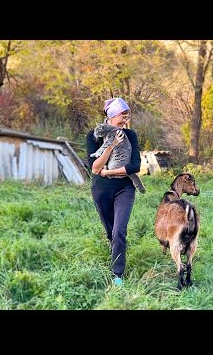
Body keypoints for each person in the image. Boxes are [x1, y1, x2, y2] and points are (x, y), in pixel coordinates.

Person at [86, 97, 141, 286]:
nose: (125, 119)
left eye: (127, 115)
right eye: (122, 115)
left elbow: (135, 166)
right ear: (110, 116)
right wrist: (111, 146)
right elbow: (94, 168)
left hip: (125, 188)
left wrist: (109, 172)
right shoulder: (93, 136)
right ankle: (113, 247)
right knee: (110, 232)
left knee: (119, 230)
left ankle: (117, 274)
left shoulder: (131, 135)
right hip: (101, 190)